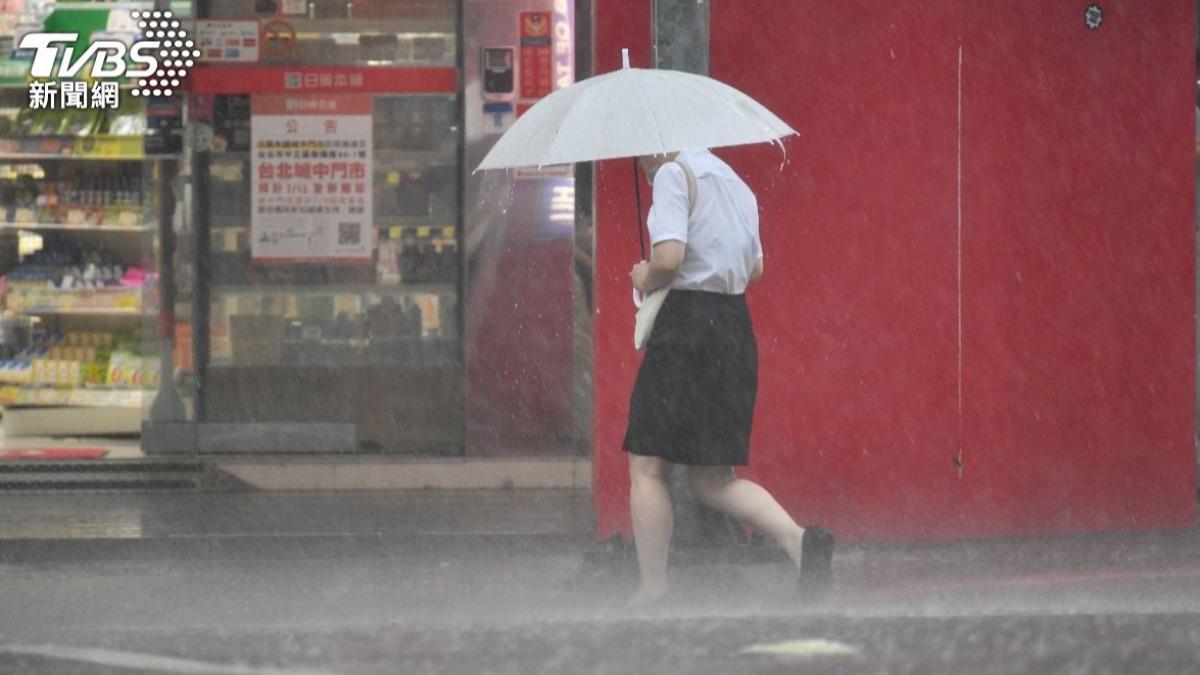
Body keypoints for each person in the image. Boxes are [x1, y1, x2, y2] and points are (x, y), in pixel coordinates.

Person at [624, 148, 833, 607]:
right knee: (713, 477)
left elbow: (670, 257)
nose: (640, 160)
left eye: (644, 151)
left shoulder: (673, 175)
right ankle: (800, 541)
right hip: (734, 328)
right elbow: (755, 268)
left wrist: (645, 274)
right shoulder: (737, 183)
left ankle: (653, 589)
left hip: (686, 329)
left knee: (647, 464)